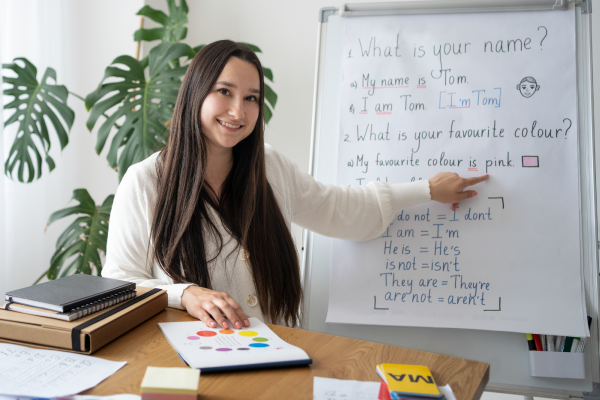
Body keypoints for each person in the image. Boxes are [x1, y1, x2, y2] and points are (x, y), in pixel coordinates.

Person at [102, 40, 488, 331]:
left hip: (274, 355)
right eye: (225, 92)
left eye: (251, 98)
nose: (239, 111)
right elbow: (118, 282)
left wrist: (426, 190)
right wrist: (184, 292)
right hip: (186, 364)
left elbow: (343, 211)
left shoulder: (270, 168)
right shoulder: (144, 182)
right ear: (195, 94)